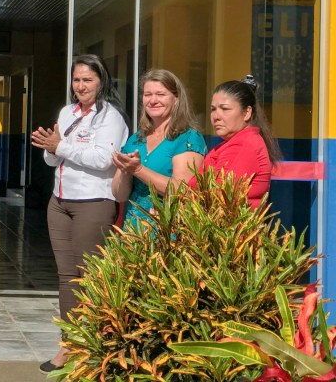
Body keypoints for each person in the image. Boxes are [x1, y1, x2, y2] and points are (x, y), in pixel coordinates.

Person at [30, 54, 129, 374]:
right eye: (76, 80)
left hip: (93, 203)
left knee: (89, 279)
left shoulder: (109, 116)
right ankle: (69, 343)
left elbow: (103, 160)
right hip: (59, 202)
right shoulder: (67, 112)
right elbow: (53, 161)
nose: (81, 85)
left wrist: (60, 147)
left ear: (102, 81)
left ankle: (92, 346)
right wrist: (50, 148)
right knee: (66, 278)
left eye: (88, 79)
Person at [111, 69, 206, 228]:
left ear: (176, 99)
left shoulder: (188, 138)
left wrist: (138, 169)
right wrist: (126, 173)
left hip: (169, 230)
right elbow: (119, 195)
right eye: (148, 94)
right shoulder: (136, 139)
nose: (153, 100)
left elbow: (181, 191)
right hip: (133, 230)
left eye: (161, 94)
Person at [194, 75, 281, 210]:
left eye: (225, 109)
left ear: (246, 113)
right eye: (213, 109)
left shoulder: (243, 145)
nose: (216, 116)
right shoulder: (234, 143)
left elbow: (218, 199)